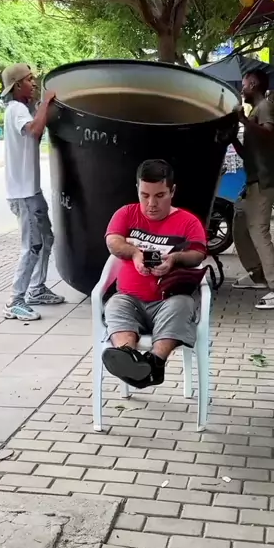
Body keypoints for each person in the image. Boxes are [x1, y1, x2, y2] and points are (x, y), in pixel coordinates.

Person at [102, 158, 207, 389]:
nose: (151, 203)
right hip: (129, 298)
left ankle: (154, 363)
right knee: (115, 305)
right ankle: (128, 357)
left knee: (183, 305)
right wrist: (135, 253)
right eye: (145, 195)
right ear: (137, 190)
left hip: (169, 299)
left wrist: (174, 259)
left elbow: (198, 254)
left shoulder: (188, 221)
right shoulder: (126, 213)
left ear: (172, 191)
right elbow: (113, 242)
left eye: (160, 195)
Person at [1, 63, 64, 321]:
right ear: (17, 85)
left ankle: (36, 289)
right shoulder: (16, 109)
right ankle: (14, 301)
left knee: (46, 238)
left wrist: (40, 108)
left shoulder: (21, 111)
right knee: (32, 246)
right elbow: (36, 130)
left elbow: (34, 136)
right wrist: (46, 102)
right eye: (29, 80)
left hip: (31, 191)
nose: (34, 83)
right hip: (23, 193)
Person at [232, 69, 274, 310]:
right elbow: (248, 152)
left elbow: (268, 133)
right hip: (253, 180)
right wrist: (232, 137)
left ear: (254, 84)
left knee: (258, 231)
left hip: (263, 181)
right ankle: (258, 275)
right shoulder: (254, 111)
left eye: (244, 84)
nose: (242, 89)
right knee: (240, 226)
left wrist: (244, 122)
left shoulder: (265, 107)